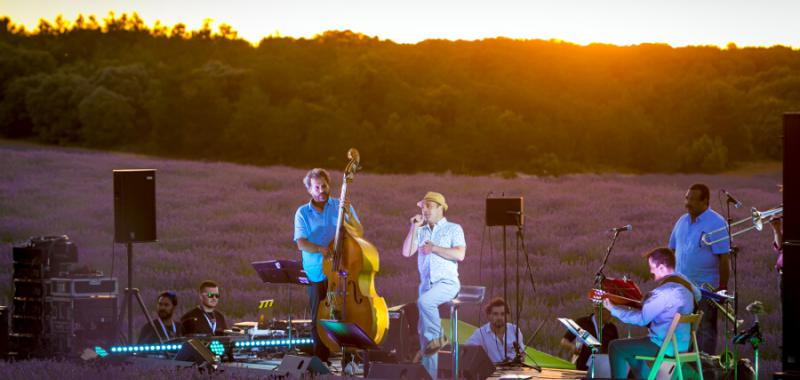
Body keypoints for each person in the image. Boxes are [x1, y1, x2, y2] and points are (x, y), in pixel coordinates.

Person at [293, 168, 361, 362]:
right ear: (309, 190)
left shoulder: (340, 206)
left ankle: (350, 358)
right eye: (317, 187)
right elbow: (301, 243)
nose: (321, 190)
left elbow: (359, 231)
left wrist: (348, 213)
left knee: (347, 315)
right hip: (316, 271)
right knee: (318, 317)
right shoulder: (302, 213)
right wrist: (321, 249)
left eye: (324, 186)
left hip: (342, 270)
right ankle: (321, 359)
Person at [604, 247, 701, 379]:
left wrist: (613, 309)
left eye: (652, 267)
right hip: (682, 345)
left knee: (615, 347)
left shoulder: (664, 292)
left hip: (663, 346)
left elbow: (642, 319)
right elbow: (697, 296)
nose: (650, 271)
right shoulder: (687, 285)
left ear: (661, 267)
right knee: (631, 351)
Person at [402, 191, 466, 379]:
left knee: (425, 303)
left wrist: (434, 248)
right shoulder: (420, 230)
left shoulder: (454, 228)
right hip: (426, 286)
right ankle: (431, 376)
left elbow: (460, 255)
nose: (424, 209)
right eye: (423, 206)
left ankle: (440, 336)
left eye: (429, 206)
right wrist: (413, 227)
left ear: (440, 208)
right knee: (425, 340)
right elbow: (407, 252)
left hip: (447, 283)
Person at [668, 183, 730, 354]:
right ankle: (684, 369)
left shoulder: (716, 223)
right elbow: (672, 250)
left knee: (705, 331)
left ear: (705, 201)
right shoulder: (681, 221)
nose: (688, 202)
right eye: (687, 198)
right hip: (681, 289)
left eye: (694, 199)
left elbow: (724, 258)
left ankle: (704, 369)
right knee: (681, 331)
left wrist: (722, 288)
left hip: (705, 289)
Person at [465, 297, 525, 364]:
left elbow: (522, 354)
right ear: (488, 316)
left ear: (507, 316)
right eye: (495, 314)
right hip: (492, 372)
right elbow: (467, 351)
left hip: (513, 372)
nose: (499, 317)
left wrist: (520, 358)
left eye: (502, 314)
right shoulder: (480, 333)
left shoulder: (514, 330)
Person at [559, 304, 618, 371]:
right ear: (597, 310)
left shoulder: (612, 328)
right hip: (582, 368)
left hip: (603, 368)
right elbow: (564, 341)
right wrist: (572, 347)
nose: (611, 315)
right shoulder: (582, 323)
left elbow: (615, 350)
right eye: (609, 312)